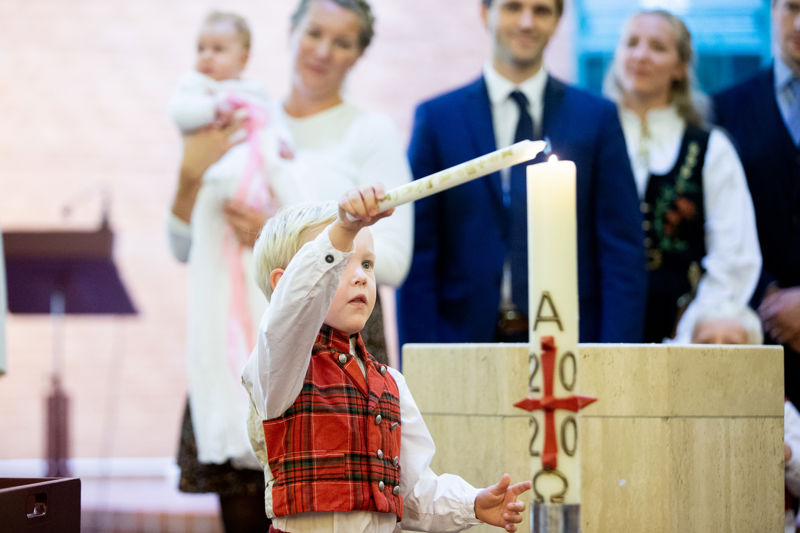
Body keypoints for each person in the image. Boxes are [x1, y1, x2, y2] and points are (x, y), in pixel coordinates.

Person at [241, 184, 531, 532]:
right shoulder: (279, 365)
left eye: (367, 263)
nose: (362, 275)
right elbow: (290, 313)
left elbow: (411, 494)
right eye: (341, 263)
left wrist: (470, 503)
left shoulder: (390, 382)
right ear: (283, 283)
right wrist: (343, 230)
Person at [397, 0, 647, 346]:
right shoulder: (438, 119)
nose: (527, 22)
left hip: (570, 339)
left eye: (542, 10)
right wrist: (421, 360)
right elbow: (419, 252)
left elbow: (622, 251)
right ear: (486, 14)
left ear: (558, 21)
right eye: (513, 7)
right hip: (461, 341)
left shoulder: (597, 118)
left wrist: (616, 355)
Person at [602, 9, 761, 344]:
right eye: (631, 43)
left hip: (684, 325)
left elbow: (734, 255)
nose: (641, 55)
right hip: (597, 322)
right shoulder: (592, 138)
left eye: (657, 47)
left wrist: (690, 329)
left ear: (680, 65)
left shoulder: (709, 147)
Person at [712, 0, 800, 403]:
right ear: (772, 12)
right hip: (754, 331)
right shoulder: (726, 107)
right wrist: (767, 296)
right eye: (791, 8)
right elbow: (717, 221)